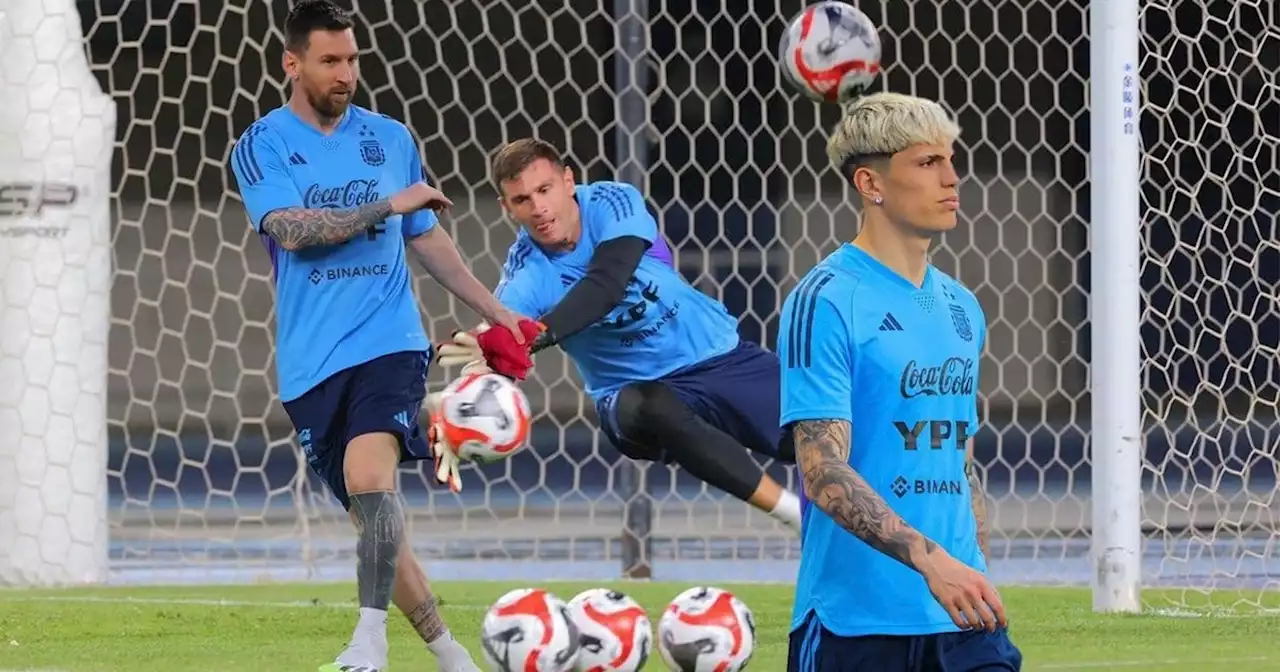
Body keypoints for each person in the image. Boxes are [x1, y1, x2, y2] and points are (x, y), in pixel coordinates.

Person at [228, 3, 536, 671]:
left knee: (371, 477)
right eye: (330, 61)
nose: (346, 74)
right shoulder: (262, 145)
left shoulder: (390, 138)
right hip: (312, 365)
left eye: (352, 60)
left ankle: (368, 643)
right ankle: (454, 656)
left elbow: (426, 240)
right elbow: (289, 231)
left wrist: (493, 310)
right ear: (293, 63)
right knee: (376, 522)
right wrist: (387, 204)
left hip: (390, 341)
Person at [432, 137, 803, 534]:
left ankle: (855, 537)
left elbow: (607, 283)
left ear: (568, 181)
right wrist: (459, 408)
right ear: (507, 209)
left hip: (720, 357)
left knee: (824, 435)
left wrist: (535, 335)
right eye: (522, 199)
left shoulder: (612, 202)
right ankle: (794, 516)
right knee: (654, 404)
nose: (538, 208)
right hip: (628, 395)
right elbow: (497, 355)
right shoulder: (526, 275)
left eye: (544, 190)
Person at [778, 92, 1022, 671]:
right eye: (926, 162)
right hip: (855, 622)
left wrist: (972, 565)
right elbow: (823, 473)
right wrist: (931, 560)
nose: (951, 177)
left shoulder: (963, 307)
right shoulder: (827, 299)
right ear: (871, 183)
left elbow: (959, 460)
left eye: (950, 159)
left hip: (962, 621)